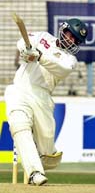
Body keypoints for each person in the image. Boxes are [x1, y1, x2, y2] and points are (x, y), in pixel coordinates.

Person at [4, 18, 88, 186]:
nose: (71, 41)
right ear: (63, 30)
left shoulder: (70, 60)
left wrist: (40, 57)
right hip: (20, 89)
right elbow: (22, 41)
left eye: (75, 40)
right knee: (19, 126)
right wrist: (26, 51)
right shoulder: (43, 37)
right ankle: (35, 173)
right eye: (71, 35)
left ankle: (45, 158)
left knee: (47, 151)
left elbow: (61, 69)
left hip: (42, 97)